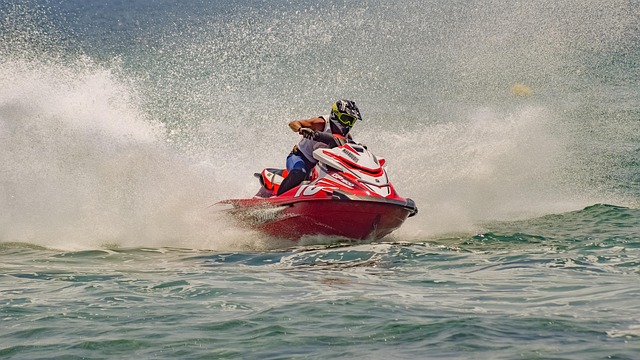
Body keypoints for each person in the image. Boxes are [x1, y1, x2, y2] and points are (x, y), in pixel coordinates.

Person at [276, 99, 362, 195]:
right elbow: (293, 123)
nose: (348, 124)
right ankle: (275, 203)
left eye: (351, 121)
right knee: (299, 173)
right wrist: (301, 129)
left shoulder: (346, 136)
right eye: (345, 119)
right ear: (335, 115)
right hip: (301, 157)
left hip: (321, 164)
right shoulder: (322, 123)